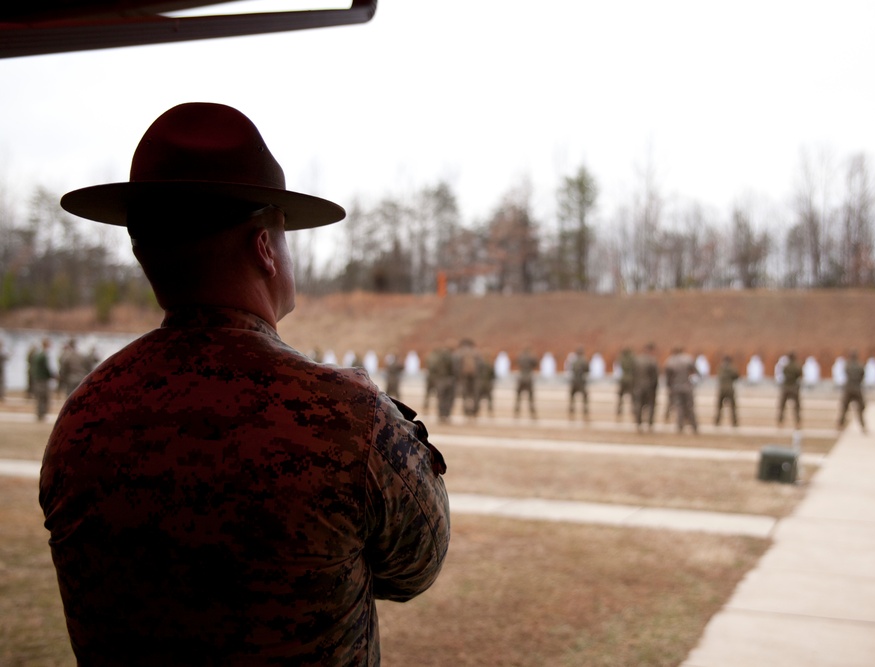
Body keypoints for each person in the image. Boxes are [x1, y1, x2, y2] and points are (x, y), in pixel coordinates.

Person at [39, 103, 450, 666]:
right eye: (285, 237)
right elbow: (415, 568)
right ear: (264, 248)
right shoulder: (343, 418)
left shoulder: (81, 420)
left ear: (141, 250)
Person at [665, 346, 699, 434]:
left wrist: (669, 387)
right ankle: (694, 426)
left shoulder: (670, 361)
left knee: (679, 407)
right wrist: (693, 383)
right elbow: (696, 372)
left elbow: (668, 377)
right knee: (690, 407)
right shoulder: (688, 359)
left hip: (676, 387)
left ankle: (680, 426)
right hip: (687, 387)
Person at [836, 349, 866, 432]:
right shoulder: (860, 365)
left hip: (848, 388)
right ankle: (863, 426)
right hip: (857, 388)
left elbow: (845, 373)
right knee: (860, 409)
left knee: (844, 408)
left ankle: (840, 424)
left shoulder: (847, 365)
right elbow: (862, 375)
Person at [633, 342, 659, 432]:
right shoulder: (652, 360)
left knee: (638, 405)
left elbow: (632, 375)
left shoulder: (636, 360)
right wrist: (655, 388)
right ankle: (650, 423)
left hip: (638, 387)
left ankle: (639, 423)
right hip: (649, 387)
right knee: (651, 406)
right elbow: (655, 377)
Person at [30, 338, 55, 421]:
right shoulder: (44, 355)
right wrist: (52, 376)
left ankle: (40, 414)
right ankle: (41, 414)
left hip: (37, 378)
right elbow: (46, 368)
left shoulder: (37, 354)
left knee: (40, 397)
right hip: (43, 379)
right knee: (44, 397)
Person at [776, 351, 803, 428]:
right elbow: (799, 375)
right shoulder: (797, 366)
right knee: (797, 406)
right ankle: (797, 422)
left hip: (786, 387)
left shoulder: (786, 366)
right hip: (794, 388)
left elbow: (783, 374)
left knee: (782, 406)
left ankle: (780, 421)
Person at [714, 354, 739, 427]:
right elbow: (736, 376)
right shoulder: (732, 368)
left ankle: (717, 422)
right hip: (729, 388)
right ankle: (734, 422)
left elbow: (718, 376)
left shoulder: (720, 368)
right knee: (733, 407)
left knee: (719, 407)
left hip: (721, 388)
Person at [514, 347, 538, 418]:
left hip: (521, 377)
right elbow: (535, 364)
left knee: (518, 397)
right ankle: (532, 414)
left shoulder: (520, 357)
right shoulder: (531, 357)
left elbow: (517, 362)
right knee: (531, 397)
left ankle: (516, 413)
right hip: (528, 377)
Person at [568, 346, 589, 418]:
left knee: (572, 396)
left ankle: (571, 410)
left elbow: (571, 369)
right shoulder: (584, 361)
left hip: (574, 380)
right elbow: (587, 369)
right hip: (581, 381)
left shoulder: (574, 361)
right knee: (585, 396)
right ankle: (585, 411)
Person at [615, 346, 635, 419]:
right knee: (632, 396)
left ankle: (619, 410)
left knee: (620, 396)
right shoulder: (632, 359)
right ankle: (633, 410)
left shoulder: (621, 358)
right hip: (630, 379)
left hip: (623, 378)